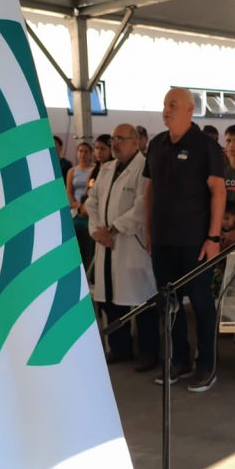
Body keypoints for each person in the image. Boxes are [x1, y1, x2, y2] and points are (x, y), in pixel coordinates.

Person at [143, 88, 226, 392]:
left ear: (190, 109)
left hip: (195, 241)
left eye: (173, 105)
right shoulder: (157, 144)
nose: (166, 110)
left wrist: (213, 237)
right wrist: (148, 230)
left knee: (201, 304)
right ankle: (179, 360)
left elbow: (218, 191)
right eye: (165, 104)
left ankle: (206, 365)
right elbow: (149, 190)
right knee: (169, 304)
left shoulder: (206, 146)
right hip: (163, 240)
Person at [86, 124, 159, 371]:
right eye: (113, 138)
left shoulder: (144, 167)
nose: (115, 143)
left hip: (130, 243)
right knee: (110, 301)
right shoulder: (106, 168)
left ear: (135, 142)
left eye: (120, 138)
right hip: (105, 243)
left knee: (142, 301)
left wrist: (113, 229)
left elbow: (142, 206)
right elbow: (92, 202)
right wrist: (97, 230)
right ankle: (120, 349)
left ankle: (148, 353)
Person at [66, 141, 96, 269]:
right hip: (76, 209)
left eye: (86, 151)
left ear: (91, 154)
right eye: (80, 151)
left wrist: (85, 206)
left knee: (87, 243)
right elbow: (69, 191)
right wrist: (75, 204)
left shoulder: (94, 170)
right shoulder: (72, 171)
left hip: (89, 208)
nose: (83, 154)